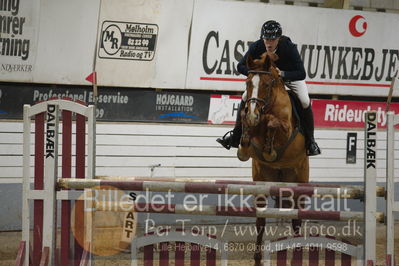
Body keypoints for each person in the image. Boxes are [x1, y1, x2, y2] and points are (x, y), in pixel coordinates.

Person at [216, 20, 321, 156]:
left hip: (289, 78)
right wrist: (255, 73)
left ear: (279, 39)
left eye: (272, 39)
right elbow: (240, 66)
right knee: (244, 97)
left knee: (305, 100)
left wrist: (282, 74)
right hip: (266, 79)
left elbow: (301, 73)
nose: (268, 43)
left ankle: (310, 141)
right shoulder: (257, 46)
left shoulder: (289, 48)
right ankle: (235, 136)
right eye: (266, 39)